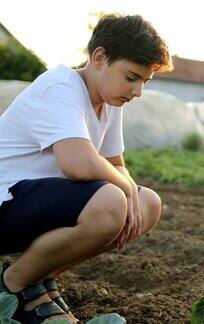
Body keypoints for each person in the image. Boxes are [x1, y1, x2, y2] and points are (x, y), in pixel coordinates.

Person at [0, 14, 172, 323]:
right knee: (110, 201)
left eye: (144, 82)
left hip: (35, 203)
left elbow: (116, 163)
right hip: (5, 200)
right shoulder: (59, 86)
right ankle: (13, 285)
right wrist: (125, 188)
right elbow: (77, 163)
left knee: (149, 203)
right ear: (99, 58)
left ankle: (39, 279)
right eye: (131, 77)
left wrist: (131, 191)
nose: (137, 92)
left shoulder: (109, 99)